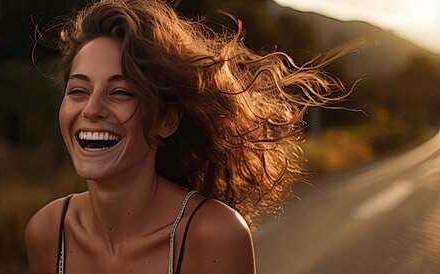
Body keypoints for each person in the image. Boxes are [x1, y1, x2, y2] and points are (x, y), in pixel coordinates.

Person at [25, 0, 359, 273]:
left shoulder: (214, 235)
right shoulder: (48, 231)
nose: (92, 109)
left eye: (122, 92)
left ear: (166, 120)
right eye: (79, 90)